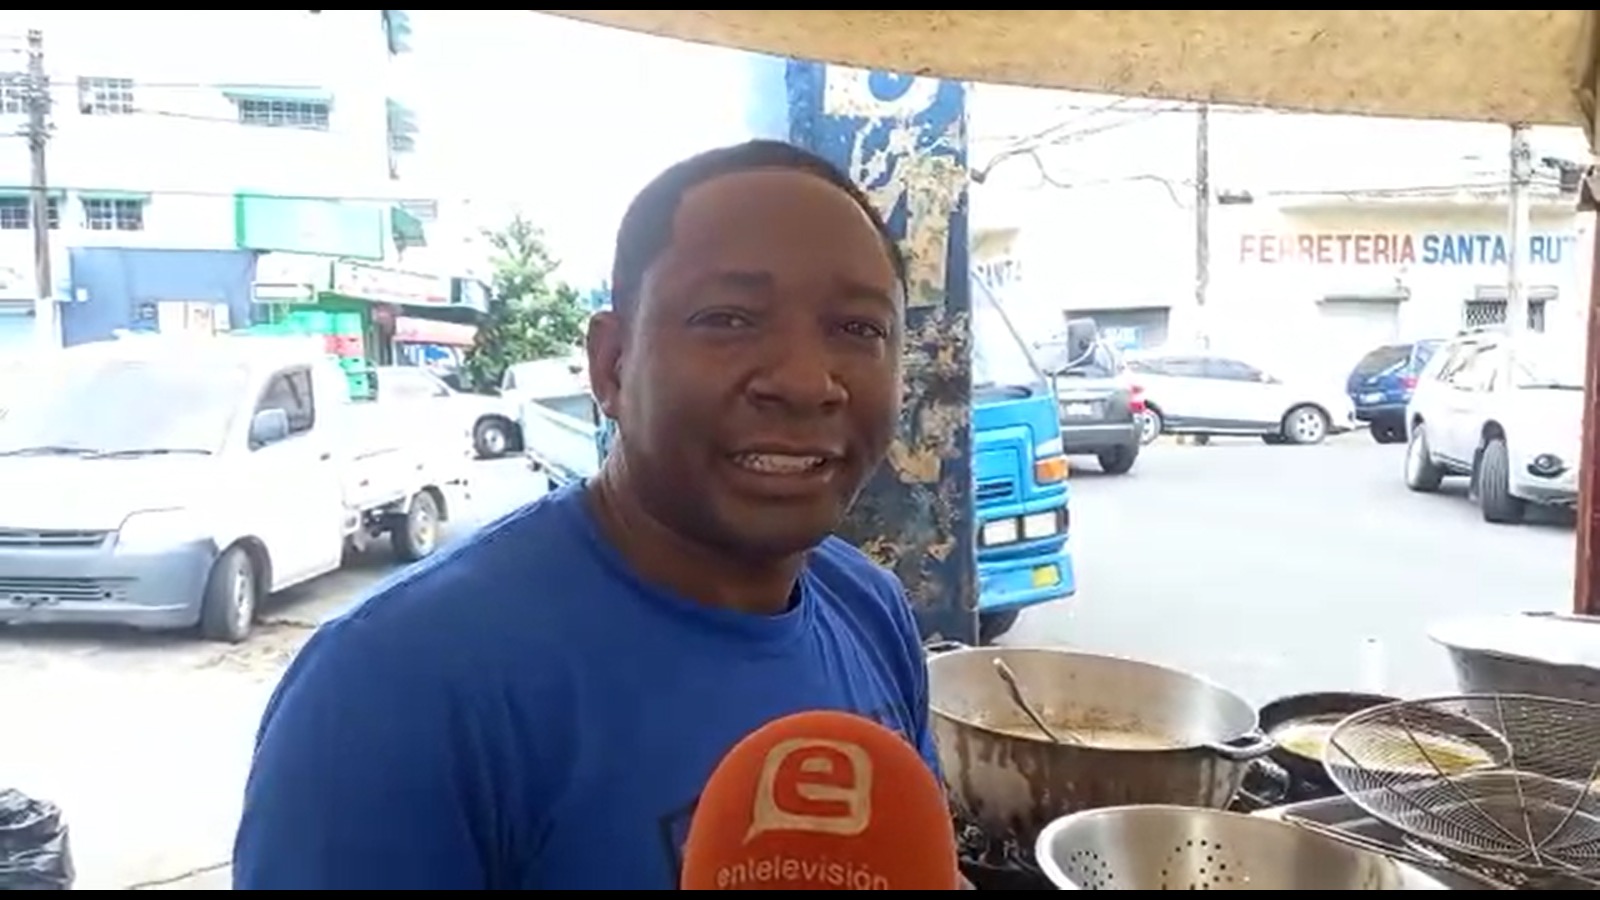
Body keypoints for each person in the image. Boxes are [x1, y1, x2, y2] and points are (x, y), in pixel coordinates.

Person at [232, 139, 960, 890]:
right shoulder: (394, 690)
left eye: (859, 329)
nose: (807, 382)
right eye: (728, 318)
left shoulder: (871, 611)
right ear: (612, 364)